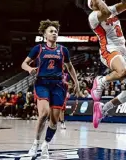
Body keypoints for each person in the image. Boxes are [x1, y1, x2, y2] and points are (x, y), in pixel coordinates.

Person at [73, 0, 126, 128]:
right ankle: (100, 81)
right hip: (109, 49)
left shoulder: (109, 9)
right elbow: (104, 12)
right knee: (122, 72)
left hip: (123, 50)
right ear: (92, 4)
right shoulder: (93, 17)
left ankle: (104, 108)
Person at [21, 19, 80, 159]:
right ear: (45, 35)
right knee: (44, 114)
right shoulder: (39, 48)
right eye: (51, 31)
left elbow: (70, 67)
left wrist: (76, 82)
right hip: (42, 83)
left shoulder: (63, 50)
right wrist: (30, 69)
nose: (54, 33)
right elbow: (24, 64)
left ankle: (45, 145)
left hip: (59, 85)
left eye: (56, 31)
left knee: (54, 121)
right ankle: (35, 144)